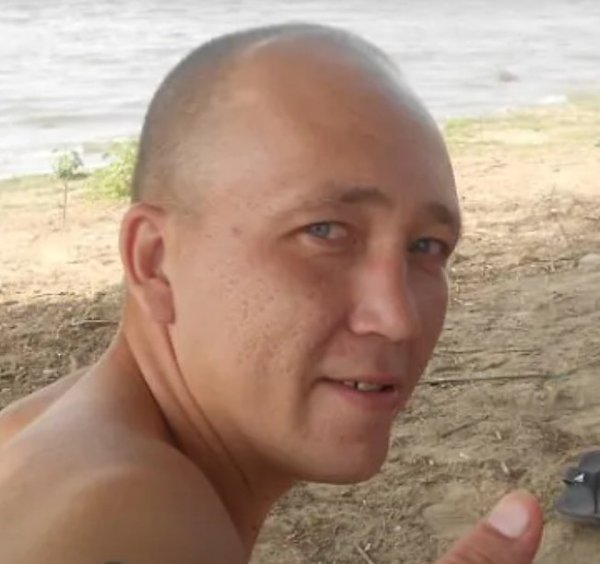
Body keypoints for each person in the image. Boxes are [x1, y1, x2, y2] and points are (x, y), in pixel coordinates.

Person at [0, 23, 543, 563]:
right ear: (155, 262)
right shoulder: (124, 514)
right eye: (324, 232)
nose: (398, 318)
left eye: (426, 245)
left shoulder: (42, 441)